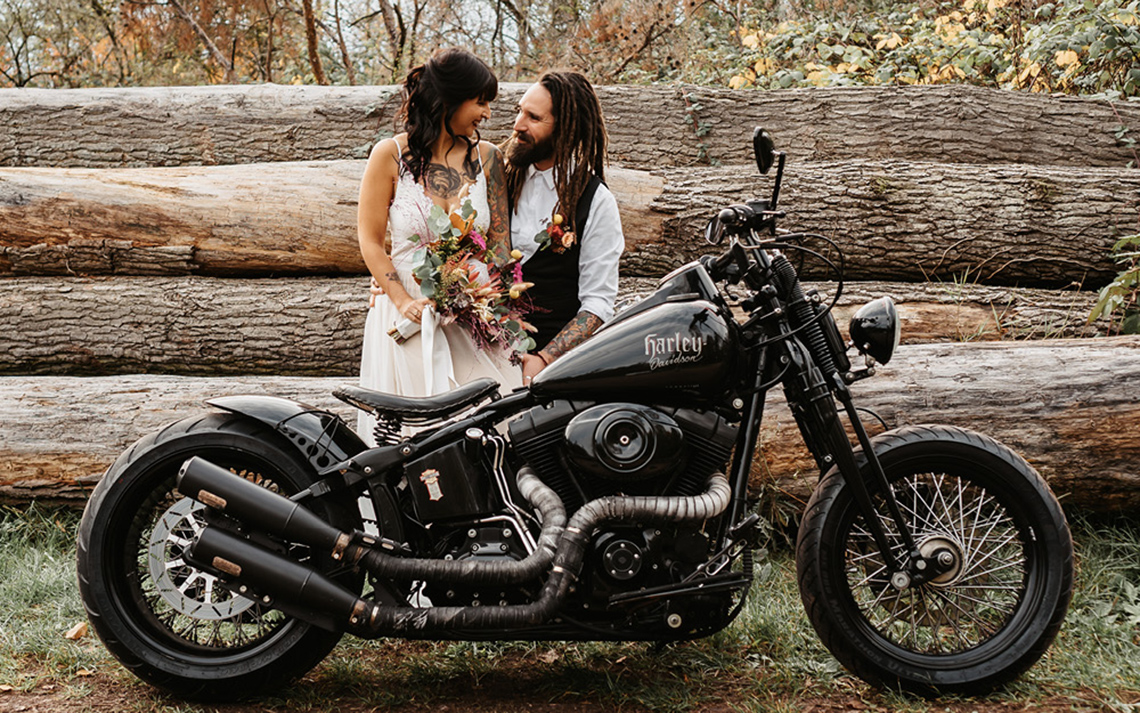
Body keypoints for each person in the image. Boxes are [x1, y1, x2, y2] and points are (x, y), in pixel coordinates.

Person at [356, 48, 520, 443]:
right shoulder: (390, 156)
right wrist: (400, 298)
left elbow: (500, 249)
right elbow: (370, 241)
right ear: (449, 99)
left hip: (473, 315)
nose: (486, 113)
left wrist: (503, 316)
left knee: (493, 421)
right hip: (407, 316)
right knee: (410, 439)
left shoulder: (489, 159)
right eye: (480, 101)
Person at [501, 70, 624, 386]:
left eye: (533, 117)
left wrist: (543, 360)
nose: (518, 124)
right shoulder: (498, 178)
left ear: (566, 130)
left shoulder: (595, 201)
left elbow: (597, 305)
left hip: (550, 370)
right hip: (484, 351)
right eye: (520, 110)